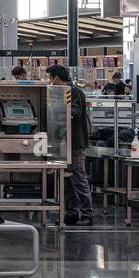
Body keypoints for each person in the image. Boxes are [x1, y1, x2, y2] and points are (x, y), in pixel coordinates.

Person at [46, 64, 94, 227]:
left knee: (79, 177)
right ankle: (71, 212)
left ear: (57, 78)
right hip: (63, 141)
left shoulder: (74, 92)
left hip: (75, 142)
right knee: (67, 179)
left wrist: (58, 109)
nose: (50, 82)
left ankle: (87, 214)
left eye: (50, 78)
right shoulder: (61, 92)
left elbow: (75, 112)